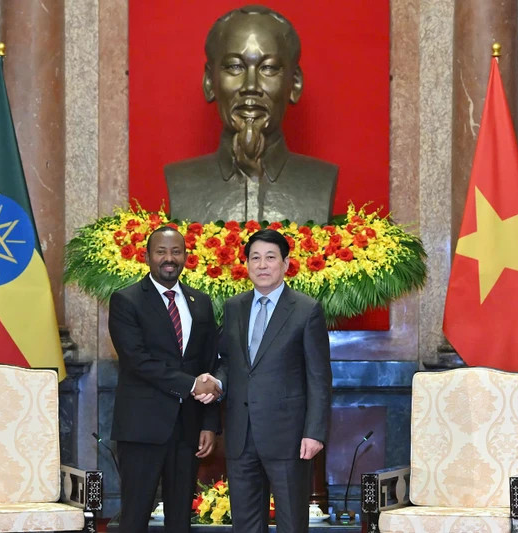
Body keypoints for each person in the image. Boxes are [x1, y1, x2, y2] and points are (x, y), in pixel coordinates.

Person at [165, 5, 338, 224]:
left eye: (269, 68)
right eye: (235, 67)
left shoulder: (320, 181)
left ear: (294, 83)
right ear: (210, 82)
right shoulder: (181, 181)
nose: (251, 86)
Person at [214, 229, 332, 533]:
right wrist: (216, 384)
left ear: (285, 263)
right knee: (246, 524)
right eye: (255, 258)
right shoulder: (233, 307)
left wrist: (314, 432)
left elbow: (318, 377)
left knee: (292, 523)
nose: (262, 265)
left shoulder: (306, 311)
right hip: (241, 434)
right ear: (247, 264)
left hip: (289, 437)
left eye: (270, 257)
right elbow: (228, 362)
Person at [108, 226, 222, 533]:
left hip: (188, 428)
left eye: (176, 252)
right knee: (135, 515)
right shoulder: (126, 301)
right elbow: (137, 360)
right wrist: (190, 384)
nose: (169, 259)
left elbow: (209, 364)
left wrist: (209, 424)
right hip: (142, 428)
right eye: (161, 252)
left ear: (186, 257)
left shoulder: (201, 302)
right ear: (146, 257)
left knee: (181, 518)